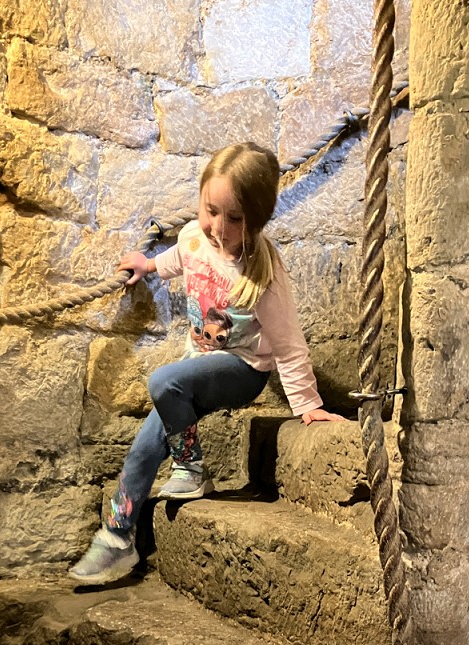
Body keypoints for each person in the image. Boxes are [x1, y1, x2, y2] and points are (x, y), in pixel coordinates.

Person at [69, 141, 345, 586]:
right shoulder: (194, 239)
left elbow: (289, 344)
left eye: (234, 219)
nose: (218, 227)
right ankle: (117, 537)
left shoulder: (264, 273)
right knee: (143, 448)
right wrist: (147, 265)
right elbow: (179, 258)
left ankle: (191, 466)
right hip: (198, 366)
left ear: (256, 219)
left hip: (242, 371)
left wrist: (307, 404)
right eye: (211, 210)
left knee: (164, 381)